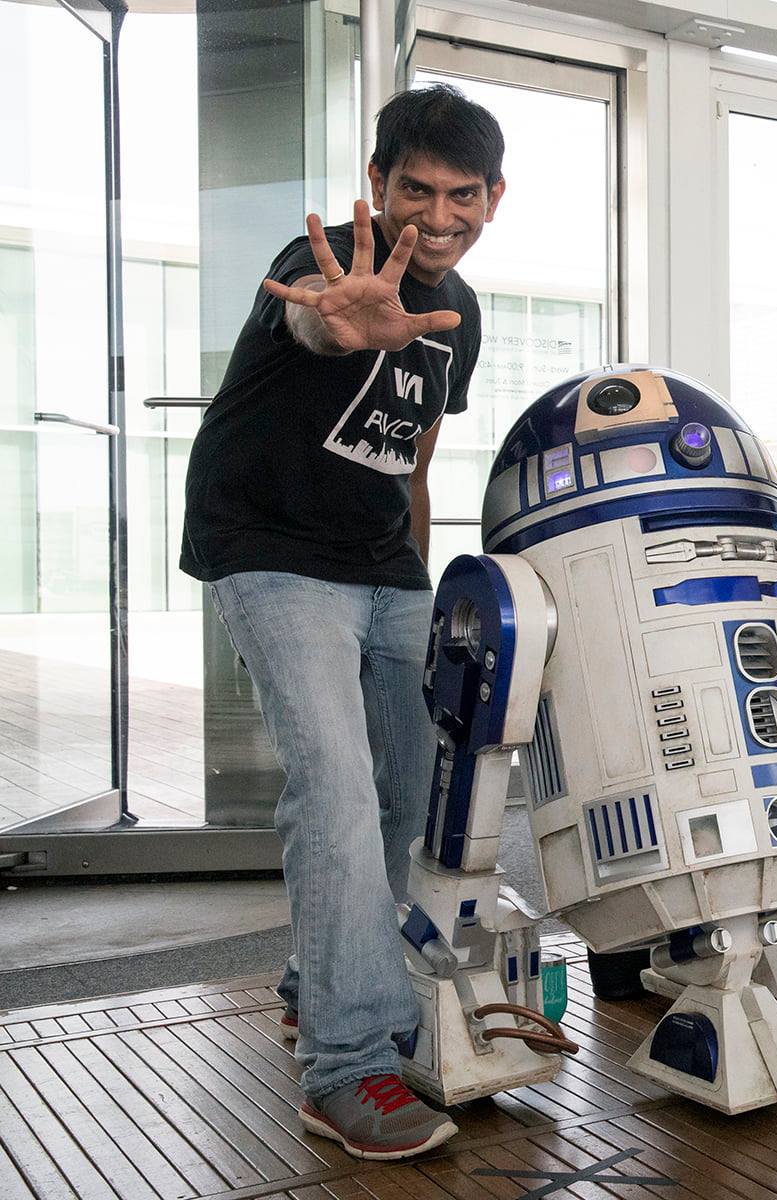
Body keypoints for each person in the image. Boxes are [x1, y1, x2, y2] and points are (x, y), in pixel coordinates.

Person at [179, 84, 504, 1159]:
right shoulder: (329, 255)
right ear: (378, 183)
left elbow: (411, 459)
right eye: (418, 188)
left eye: (463, 195)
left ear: (495, 200)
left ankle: (314, 979)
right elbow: (313, 315)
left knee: (414, 794)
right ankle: (348, 1063)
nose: (439, 214)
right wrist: (334, 319)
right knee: (334, 784)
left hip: (381, 563)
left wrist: (418, 580)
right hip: (267, 548)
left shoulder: (464, 311)